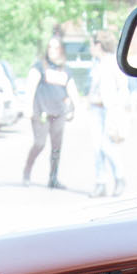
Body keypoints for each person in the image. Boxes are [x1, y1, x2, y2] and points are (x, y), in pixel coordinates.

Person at [21, 34, 80, 189]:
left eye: (56, 47)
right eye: (50, 47)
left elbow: (73, 92)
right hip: (41, 112)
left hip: (59, 114)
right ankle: (27, 170)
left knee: (56, 148)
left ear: (61, 50)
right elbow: (30, 87)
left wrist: (74, 109)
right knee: (39, 144)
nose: (52, 50)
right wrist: (27, 107)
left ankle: (53, 179)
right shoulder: (39, 66)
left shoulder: (66, 70)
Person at [87, 30, 133, 197]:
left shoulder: (113, 62)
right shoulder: (96, 63)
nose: (90, 48)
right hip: (95, 109)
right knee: (96, 148)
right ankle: (101, 183)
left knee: (108, 146)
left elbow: (123, 87)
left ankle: (120, 178)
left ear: (98, 45)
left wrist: (118, 108)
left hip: (109, 110)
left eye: (92, 45)